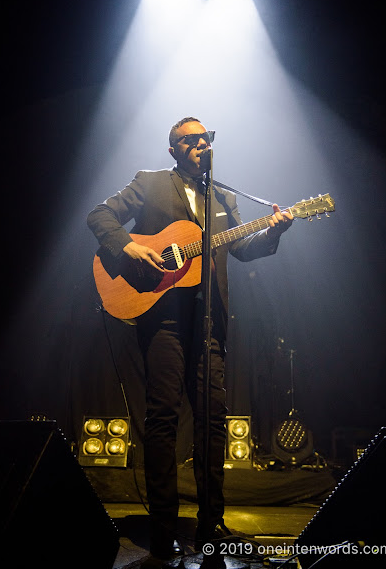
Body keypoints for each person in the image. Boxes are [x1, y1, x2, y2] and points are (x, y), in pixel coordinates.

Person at [87, 117, 293, 564]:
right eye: (192, 140)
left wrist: (274, 230)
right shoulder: (150, 183)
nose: (202, 144)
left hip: (209, 324)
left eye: (207, 138)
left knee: (212, 423)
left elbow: (242, 247)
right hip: (161, 320)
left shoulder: (222, 195)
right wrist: (127, 245)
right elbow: (99, 215)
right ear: (174, 149)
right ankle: (163, 530)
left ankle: (210, 525)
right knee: (162, 421)